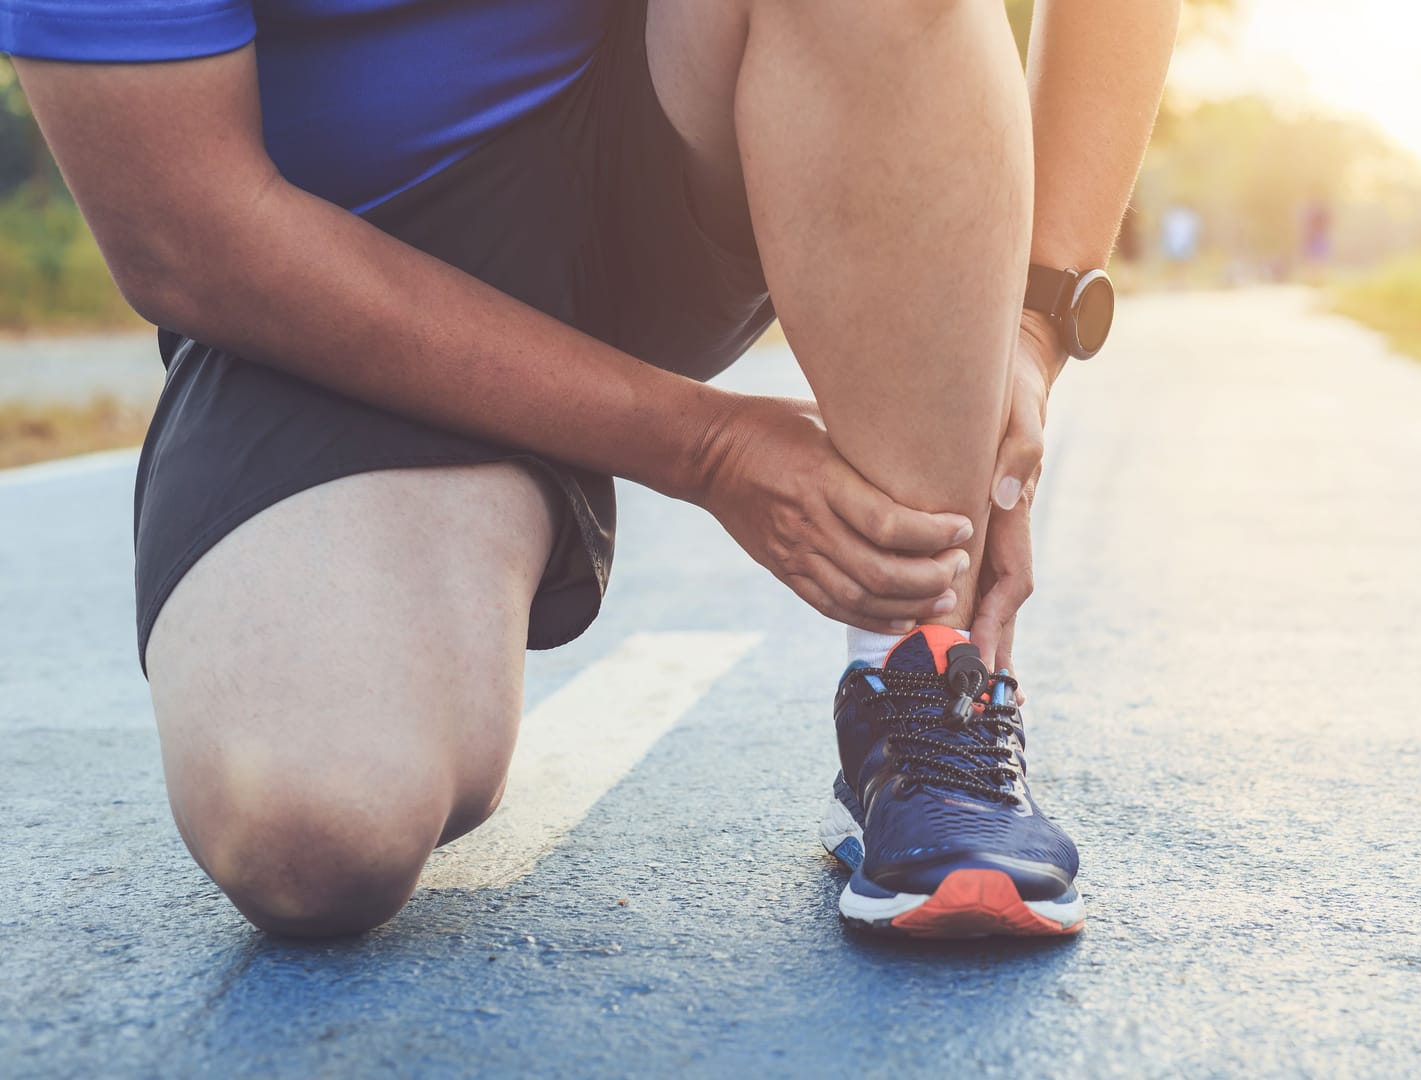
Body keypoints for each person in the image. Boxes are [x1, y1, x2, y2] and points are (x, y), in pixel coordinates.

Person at [4, 0, 1176, 939]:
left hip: (656, 140)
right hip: (332, 271)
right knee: (314, 829)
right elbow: (183, 232)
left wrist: (1023, 328)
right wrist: (701, 446)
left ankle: (922, 672)